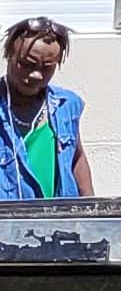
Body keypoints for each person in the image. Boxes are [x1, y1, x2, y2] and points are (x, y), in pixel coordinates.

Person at [0, 18, 92, 201]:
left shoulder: (66, 105)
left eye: (47, 67)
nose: (36, 74)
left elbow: (76, 158)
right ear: (9, 53)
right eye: (27, 64)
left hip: (60, 223)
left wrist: (92, 212)